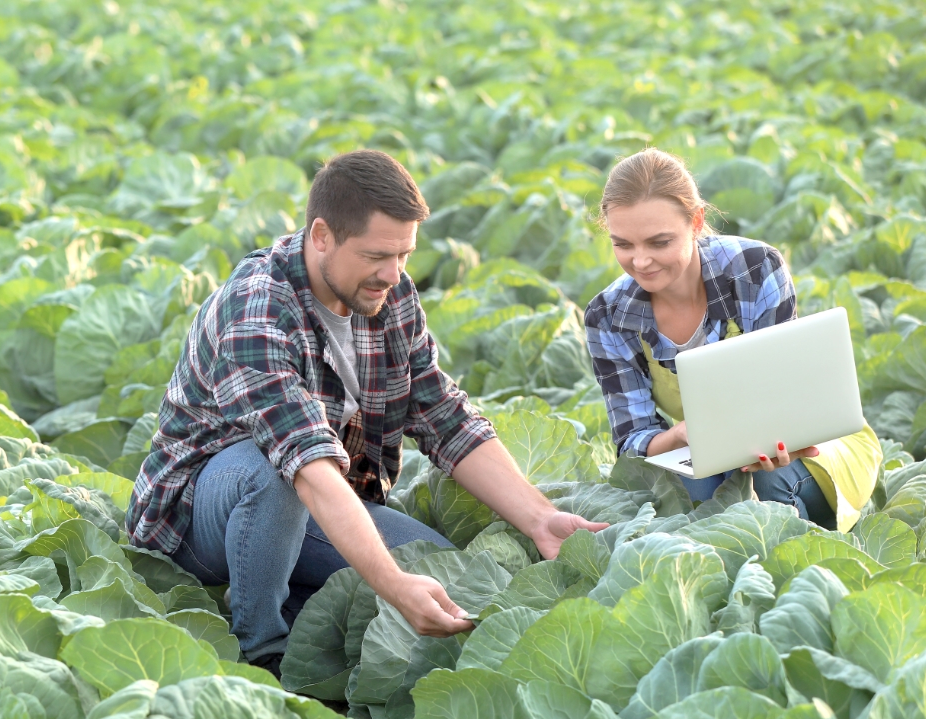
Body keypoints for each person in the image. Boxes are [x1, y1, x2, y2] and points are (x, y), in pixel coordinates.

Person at [127, 149, 608, 676]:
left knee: (447, 576)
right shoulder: (256, 309)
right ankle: (262, 652)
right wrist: (393, 584)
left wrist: (540, 518)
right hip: (203, 518)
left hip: (317, 503)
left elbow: (442, 414)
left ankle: (292, 600)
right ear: (321, 236)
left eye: (404, 254)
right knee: (275, 471)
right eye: (377, 254)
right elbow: (305, 464)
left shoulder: (388, 294)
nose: (392, 273)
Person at [584, 148, 881, 530]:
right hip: (707, 453)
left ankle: (812, 562)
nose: (640, 261)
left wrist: (779, 436)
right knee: (699, 487)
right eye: (623, 244)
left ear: (695, 222)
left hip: (813, 445)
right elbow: (631, 439)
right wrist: (680, 434)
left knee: (765, 478)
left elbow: (787, 400)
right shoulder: (607, 315)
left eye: (659, 242)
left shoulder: (756, 268)